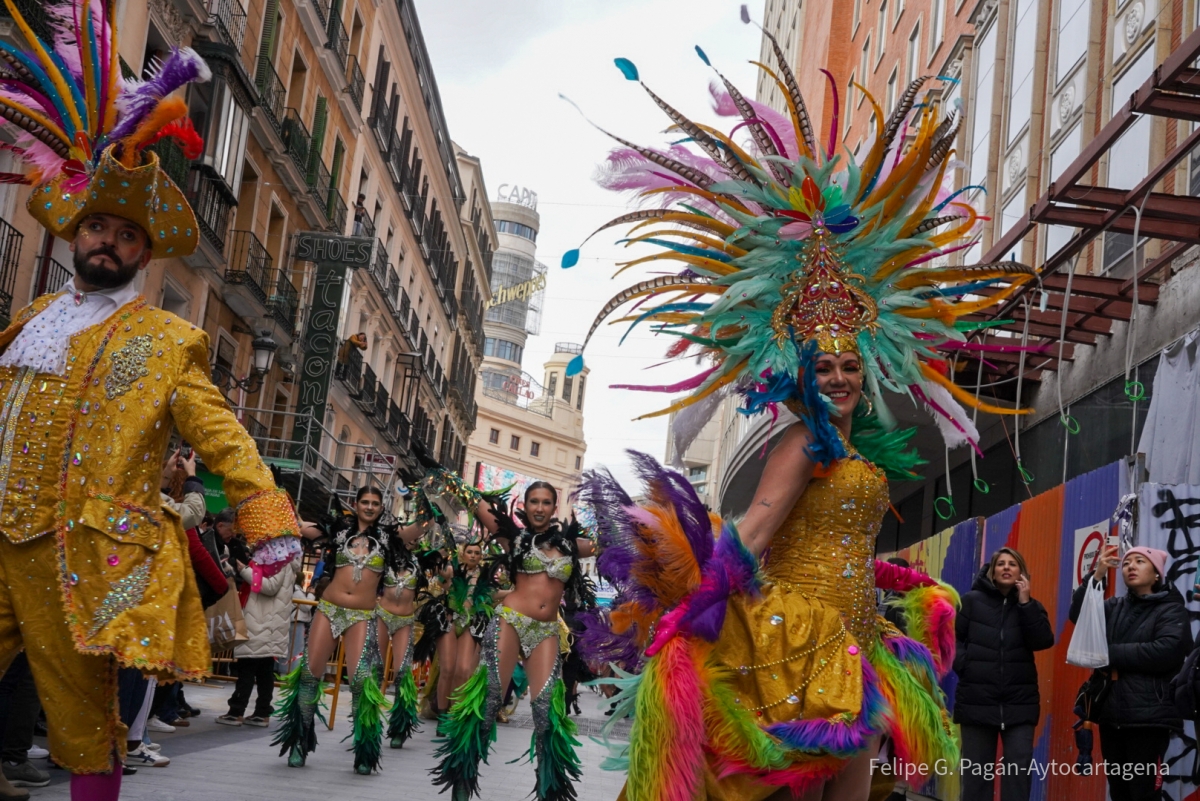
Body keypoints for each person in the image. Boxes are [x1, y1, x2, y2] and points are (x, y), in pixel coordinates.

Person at [555, 19, 1038, 799]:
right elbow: (757, 531)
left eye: (851, 364)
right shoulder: (803, 441)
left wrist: (908, 582)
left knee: (851, 782)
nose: (842, 377)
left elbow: (844, 533)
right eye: (826, 366)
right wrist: (696, 610)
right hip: (796, 630)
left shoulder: (860, 455)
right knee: (791, 785)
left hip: (854, 629)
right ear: (800, 371)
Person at [0, 5, 302, 799]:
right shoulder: (32, 320)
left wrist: (265, 520)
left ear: (143, 251)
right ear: (74, 232)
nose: (107, 241)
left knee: (82, 724)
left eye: (125, 235)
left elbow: (224, 436)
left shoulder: (170, 340)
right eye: (96, 225)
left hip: (82, 551)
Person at [432, 482, 596, 801]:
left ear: (554, 507)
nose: (538, 507)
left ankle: (548, 788)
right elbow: (481, 506)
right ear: (527, 504)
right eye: (533, 501)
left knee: (548, 710)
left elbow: (611, 544)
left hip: (546, 631)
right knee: (490, 698)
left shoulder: (571, 545)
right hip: (511, 621)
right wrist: (446, 479)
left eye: (545, 502)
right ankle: (464, 778)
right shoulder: (515, 538)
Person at [275, 486, 421, 773]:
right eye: (364, 502)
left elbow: (420, 528)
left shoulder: (389, 539)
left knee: (362, 683)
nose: (369, 507)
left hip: (363, 616)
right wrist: (278, 497)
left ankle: (365, 750)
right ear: (355, 504)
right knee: (309, 675)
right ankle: (299, 744)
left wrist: (433, 499)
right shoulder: (337, 532)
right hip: (329, 610)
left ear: (382, 507)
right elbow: (297, 524)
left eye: (375, 503)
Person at [1070, 545, 1191, 801]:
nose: (1131, 566)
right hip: (1111, 713)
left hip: (1149, 715)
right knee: (1119, 792)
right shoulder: (1114, 606)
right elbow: (1080, 618)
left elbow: (1165, 651)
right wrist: (1097, 577)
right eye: (1126, 563)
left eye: (1139, 561)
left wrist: (1105, 653)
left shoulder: (1171, 608)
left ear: (1157, 573)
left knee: (1143, 793)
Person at [954, 548, 1055, 801]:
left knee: (1018, 774)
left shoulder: (1031, 605)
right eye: (1001, 564)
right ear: (993, 571)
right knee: (976, 776)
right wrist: (965, 664)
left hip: (1019, 702)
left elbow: (1043, 640)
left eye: (1013, 564)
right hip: (977, 699)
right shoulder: (971, 601)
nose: (1007, 568)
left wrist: (1026, 603)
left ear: (1021, 572)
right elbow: (951, 639)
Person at [217, 549, 302, 727]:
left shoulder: (279, 558)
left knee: (248, 667)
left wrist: (244, 571)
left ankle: (237, 711)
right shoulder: (281, 557)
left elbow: (269, 587)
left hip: (263, 622)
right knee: (264, 669)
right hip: (266, 622)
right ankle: (261, 712)